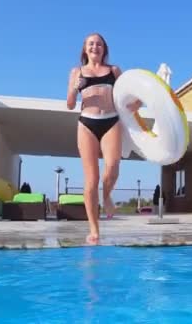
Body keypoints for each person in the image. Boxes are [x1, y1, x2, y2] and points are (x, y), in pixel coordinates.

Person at [66, 33, 141, 244]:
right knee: (91, 180)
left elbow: (131, 94)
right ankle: (94, 229)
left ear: (104, 49)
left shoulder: (113, 70)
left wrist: (137, 104)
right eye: (91, 44)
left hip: (111, 121)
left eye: (99, 44)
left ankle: (106, 195)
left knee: (114, 166)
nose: (95, 47)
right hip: (87, 124)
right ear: (85, 49)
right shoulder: (76, 71)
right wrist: (74, 88)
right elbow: (70, 104)